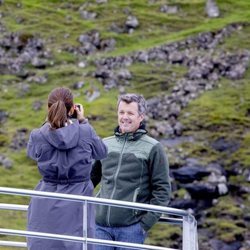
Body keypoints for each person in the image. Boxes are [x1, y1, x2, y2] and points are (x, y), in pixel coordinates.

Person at [26, 87, 107, 250]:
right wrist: (83, 121)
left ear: (49, 109)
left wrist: (48, 123)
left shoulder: (37, 135)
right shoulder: (86, 131)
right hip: (78, 200)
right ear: (72, 110)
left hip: (45, 201)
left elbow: (31, 154)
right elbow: (102, 152)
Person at [91, 93, 171, 250]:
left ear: (141, 117)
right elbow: (89, 180)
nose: (125, 117)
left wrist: (144, 225)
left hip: (131, 230)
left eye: (130, 113)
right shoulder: (105, 144)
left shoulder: (153, 148)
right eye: (121, 112)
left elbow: (162, 190)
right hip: (99, 228)